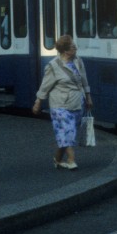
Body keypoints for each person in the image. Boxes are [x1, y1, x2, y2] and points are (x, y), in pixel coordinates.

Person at [32, 35, 94, 170]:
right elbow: (45, 86)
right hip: (59, 106)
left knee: (68, 133)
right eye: (73, 46)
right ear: (66, 51)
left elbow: (84, 80)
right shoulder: (53, 66)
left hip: (77, 103)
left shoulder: (78, 61)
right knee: (67, 132)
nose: (76, 48)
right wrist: (38, 101)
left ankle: (57, 159)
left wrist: (88, 97)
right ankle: (71, 161)